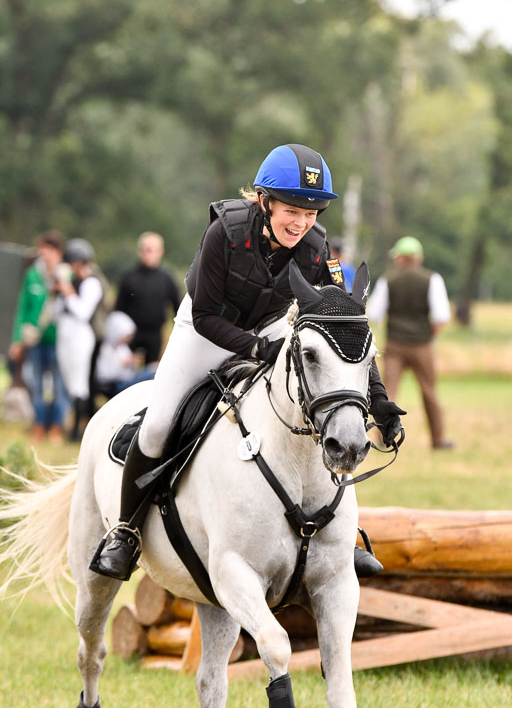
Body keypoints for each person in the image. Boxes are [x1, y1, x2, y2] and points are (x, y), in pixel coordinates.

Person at [92, 143, 405, 581]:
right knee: (160, 423)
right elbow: (204, 315)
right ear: (265, 201)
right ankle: (124, 533)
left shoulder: (317, 247)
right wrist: (258, 350)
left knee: (312, 413)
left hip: (271, 328)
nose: (301, 222)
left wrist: (379, 399)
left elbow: (345, 329)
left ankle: (338, 536)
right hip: (205, 330)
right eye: (292, 210)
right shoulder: (225, 232)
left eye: (312, 213)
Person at [368, 236, 453, 450]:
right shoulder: (432, 279)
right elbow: (441, 316)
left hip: (394, 344)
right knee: (430, 392)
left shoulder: (388, 280)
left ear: (400, 258)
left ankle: (383, 437)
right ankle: (439, 440)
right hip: (422, 345)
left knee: (388, 393)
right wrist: (428, 335)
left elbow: (375, 313)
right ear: (418, 258)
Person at [8, 231, 69, 444]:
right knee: (36, 383)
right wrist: (17, 339)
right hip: (35, 341)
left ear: (58, 252)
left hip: (59, 340)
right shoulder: (33, 274)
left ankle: (56, 427)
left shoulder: (65, 274)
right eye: (42, 249)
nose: (44, 253)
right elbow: (22, 308)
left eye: (49, 249)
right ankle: (39, 425)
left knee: (59, 385)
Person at [53, 239, 108, 441]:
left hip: (80, 335)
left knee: (79, 383)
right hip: (65, 333)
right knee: (69, 381)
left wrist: (67, 292)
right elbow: (56, 313)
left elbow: (83, 312)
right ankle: (73, 424)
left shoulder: (91, 283)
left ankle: (78, 429)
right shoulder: (70, 283)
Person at [115, 232, 182, 365]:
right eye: (144, 250)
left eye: (151, 250)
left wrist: (179, 338)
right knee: (127, 371)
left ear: (160, 251)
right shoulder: (129, 277)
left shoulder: (166, 279)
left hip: (155, 334)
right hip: (131, 334)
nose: (147, 254)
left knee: (152, 372)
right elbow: (119, 310)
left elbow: (178, 309)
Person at [94, 311, 157, 397]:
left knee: (154, 368)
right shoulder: (105, 349)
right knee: (152, 375)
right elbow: (103, 377)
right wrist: (122, 364)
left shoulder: (122, 348)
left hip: (128, 379)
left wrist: (133, 362)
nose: (128, 339)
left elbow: (131, 371)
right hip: (115, 386)